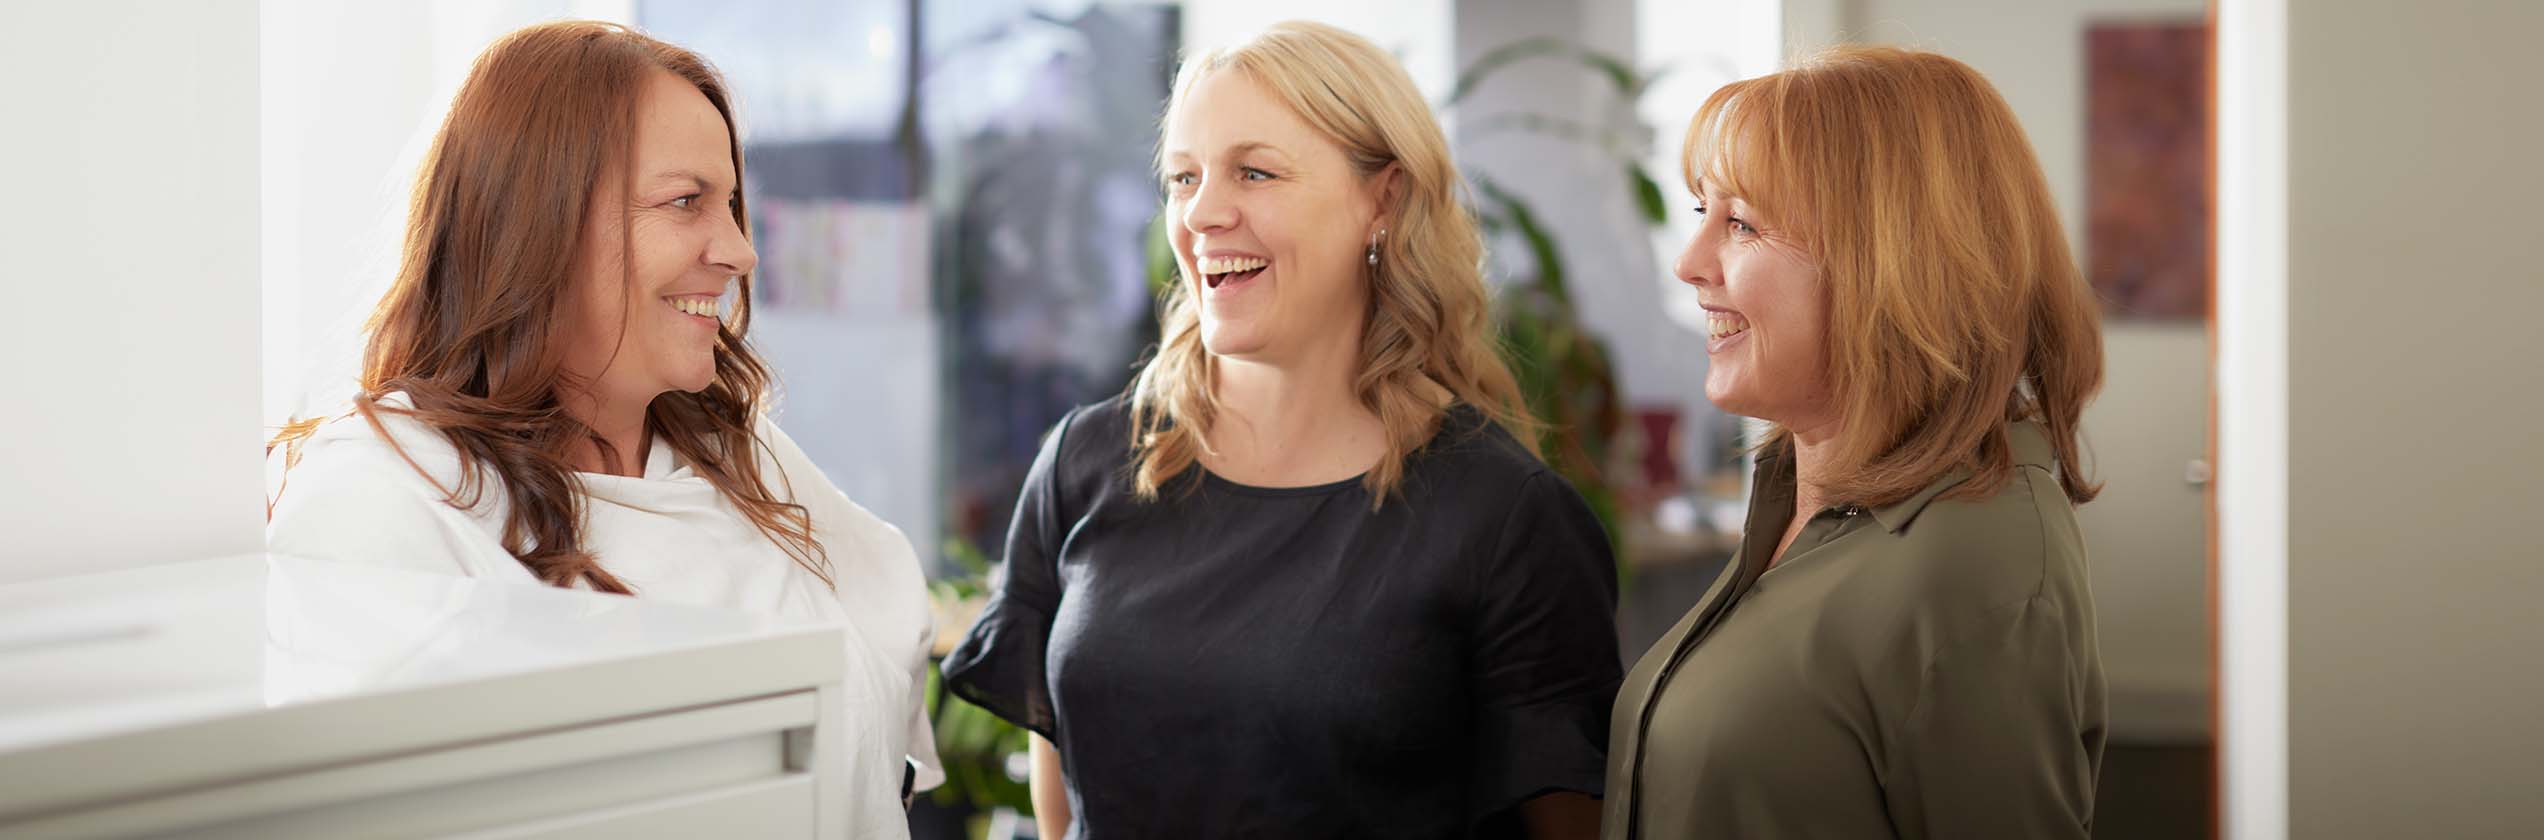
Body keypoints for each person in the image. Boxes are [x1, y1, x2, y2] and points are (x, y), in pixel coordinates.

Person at [939, 20, 1620, 840]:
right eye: (1183, 178)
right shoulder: (1085, 462)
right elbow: (1064, 811)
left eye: (1254, 172)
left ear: (1384, 199)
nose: (1201, 215)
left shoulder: (1505, 517)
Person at [262, 21, 938, 836]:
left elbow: (888, 665)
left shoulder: (738, 455)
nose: (738, 251)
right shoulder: (384, 505)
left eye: (729, 205)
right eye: (685, 202)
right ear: (531, 226)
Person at [1604, 45, 2110, 839]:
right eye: (1704, 212)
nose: (1690, 263)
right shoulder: (1803, 493)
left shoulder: (1974, 564)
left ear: (1893, 260)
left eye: (1741, 223)